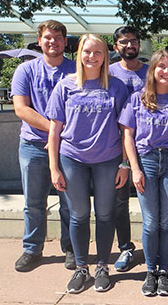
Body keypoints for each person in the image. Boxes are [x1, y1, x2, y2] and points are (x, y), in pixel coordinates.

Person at [46, 34, 129, 294]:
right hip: (73, 159)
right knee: (79, 215)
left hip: (108, 159)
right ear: (79, 54)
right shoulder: (65, 85)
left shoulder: (116, 87)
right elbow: (54, 130)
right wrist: (54, 167)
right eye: (87, 51)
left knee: (105, 215)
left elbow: (126, 129)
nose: (92, 57)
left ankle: (103, 265)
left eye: (98, 52)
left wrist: (125, 164)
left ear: (105, 56)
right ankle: (82, 267)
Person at [119, 50, 168, 296]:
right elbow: (128, 135)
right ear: (152, 70)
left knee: (167, 220)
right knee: (151, 221)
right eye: (161, 67)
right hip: (147, 161)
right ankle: (150, 271)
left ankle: (164, 270)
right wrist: (134, 168)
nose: (166, 71)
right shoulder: (137, 99)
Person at [11, 19, 75, 272]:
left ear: (65, 42)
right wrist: (54, 132)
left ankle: (72, 248)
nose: (53, 41)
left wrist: (60, 137)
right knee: (34, 202)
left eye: (58, 37)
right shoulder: (25, 70)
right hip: (33, 145)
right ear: (40, 41)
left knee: (70, 202)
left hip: (69, 147)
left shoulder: (76, 70)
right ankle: (32, 249)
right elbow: (21, 108)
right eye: (48, 37)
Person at [109, 25, 149, 272]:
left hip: (148, 148)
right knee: (119, 201)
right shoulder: (108, 73)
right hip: (115, 148)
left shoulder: (151, 73)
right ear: (116, 47)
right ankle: (125, 247)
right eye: (124, 42)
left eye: (133, 41)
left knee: (152, 203)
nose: (129, 45)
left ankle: (156, 247)